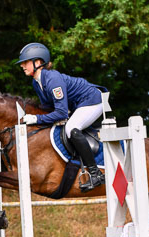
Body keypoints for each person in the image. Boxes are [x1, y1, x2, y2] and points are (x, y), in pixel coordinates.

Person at [17, 42, 106, 192]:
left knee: (71, 128)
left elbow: (61, 113)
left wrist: (36, 119)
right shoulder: (36, 82)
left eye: (25, 62)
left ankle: (95, 173)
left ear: (37, 62)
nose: (22, 66)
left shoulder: (52, 79)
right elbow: (47, 108)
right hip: (78, 105)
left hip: (92, 100)